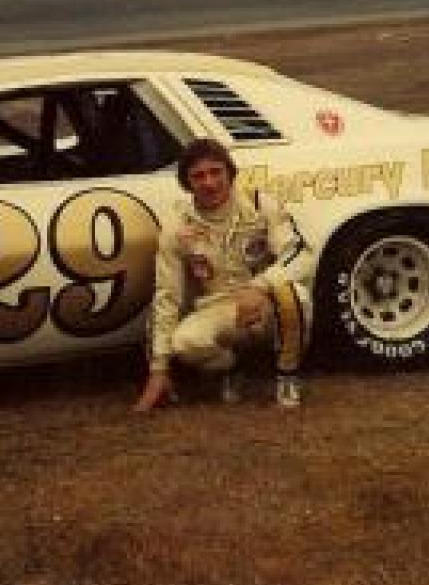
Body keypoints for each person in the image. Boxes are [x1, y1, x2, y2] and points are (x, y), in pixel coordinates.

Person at [133, 138, 314, 412]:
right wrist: (158, 368)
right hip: (219, 307)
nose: (209, 183)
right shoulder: (177, 227)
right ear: (186, 183)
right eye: (198, 176)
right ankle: (235, 367)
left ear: (230, 172)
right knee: (185, 343)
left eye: (216, 172)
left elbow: (300, 254)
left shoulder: (259, 205)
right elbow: (167, 296)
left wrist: (260, 286)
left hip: (265, 301)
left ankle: (288, 375)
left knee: (296, 297)